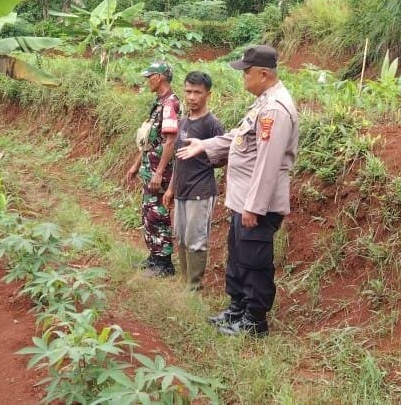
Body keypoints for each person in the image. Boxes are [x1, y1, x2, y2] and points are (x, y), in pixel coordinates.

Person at [176, 45, 298, 337]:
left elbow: (268, 163)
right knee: (239, 256)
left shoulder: (275, 109)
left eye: (246, 72)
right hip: (242, 199)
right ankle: (237, 309)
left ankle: (254, 321)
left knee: (255, 261)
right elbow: (237, 139)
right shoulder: (262, 103)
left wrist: (254, 207)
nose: (243, 77)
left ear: (264, 74)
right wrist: (205, 145)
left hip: (256, 205)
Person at [162, 71, 224, 291]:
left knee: (196, 239)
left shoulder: (212, 124)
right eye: (188, 91)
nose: (191, 97)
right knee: (182, 237)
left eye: (197, 92)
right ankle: (184, 282)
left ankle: (193, 287)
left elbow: (221, 159)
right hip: (181, 189)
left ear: (208, 94)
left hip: (201, 190)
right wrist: (170, 188)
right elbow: (178, 161)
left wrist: (203, 153)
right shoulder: (184, 122)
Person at [127, 61, 180, 277]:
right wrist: (136, 164)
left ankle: (164, 263)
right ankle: (154, 256)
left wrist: (159, 172)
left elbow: (170, 142)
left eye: (150, 77)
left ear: (159, 77)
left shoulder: (170, 105)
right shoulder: (160, 103)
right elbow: (150, 140)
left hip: (161, 173)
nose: (147, 80)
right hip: (151, 169)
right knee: (148, 213)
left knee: (158, 214)